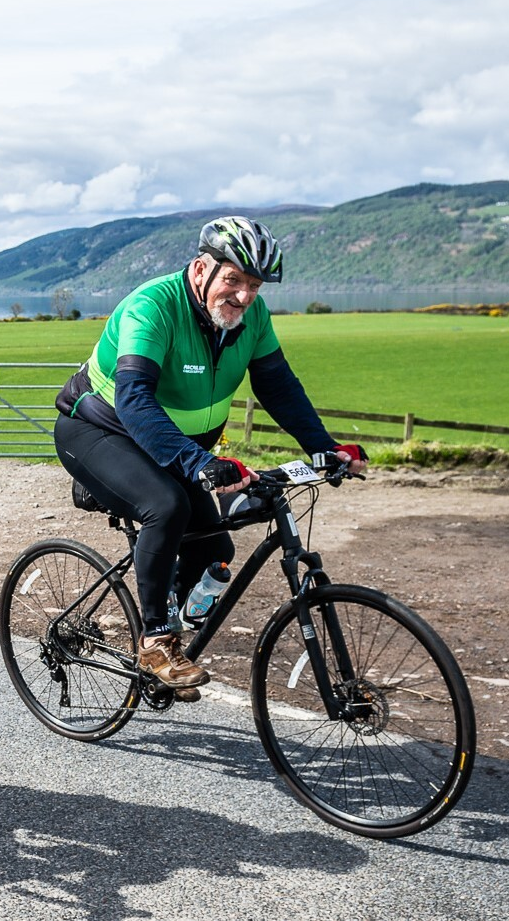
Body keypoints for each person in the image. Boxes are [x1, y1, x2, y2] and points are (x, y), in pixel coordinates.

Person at [53, 215, 367, 699]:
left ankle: (172, 621)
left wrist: (323, 447)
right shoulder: (152, 306)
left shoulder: (251, 318)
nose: (243, 296)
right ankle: (156, 642)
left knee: (215, 550)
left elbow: (279, 388)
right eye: (233, 280)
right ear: (201, 269)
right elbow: (135, 399)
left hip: (174, 445)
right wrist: (199, 463)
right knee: (167, 507)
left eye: (254, 286)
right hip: (100, 431)